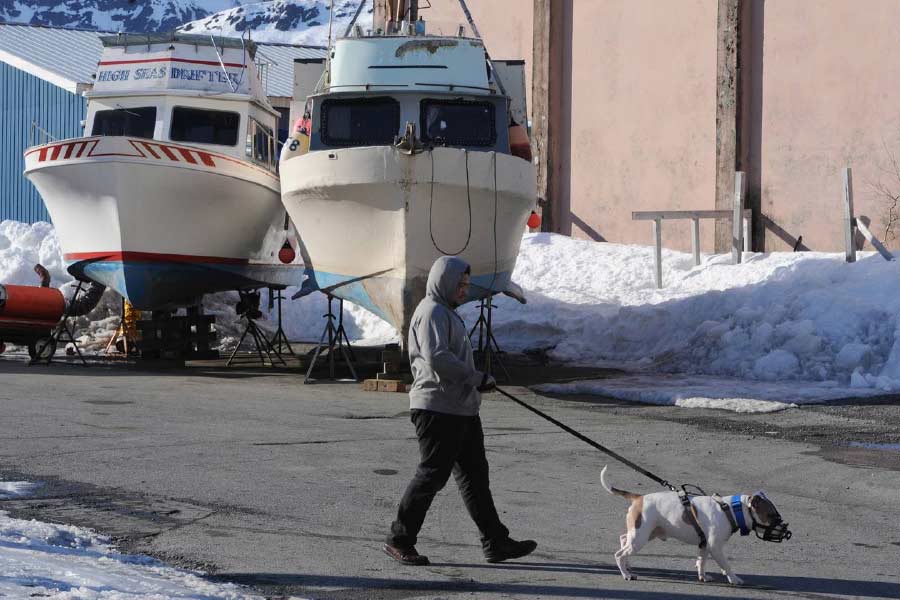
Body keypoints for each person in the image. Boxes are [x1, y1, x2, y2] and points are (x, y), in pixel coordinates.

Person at [384, 256, 537, 566]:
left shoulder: (447, 314)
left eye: (467, 285)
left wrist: (475, 383)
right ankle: (399, 539)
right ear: (445, 283)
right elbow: (437, 358)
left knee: (475, 478)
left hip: (461, 408)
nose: (464, 290)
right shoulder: (432, 313)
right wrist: (475, 377)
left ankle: (495, 541)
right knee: (432, 475)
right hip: (438, 408)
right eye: (460, 284)